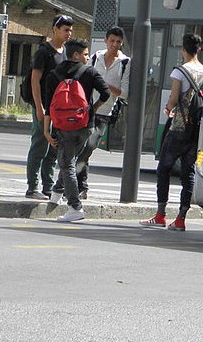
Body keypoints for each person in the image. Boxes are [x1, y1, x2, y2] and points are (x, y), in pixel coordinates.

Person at [141, 33, 203, 232]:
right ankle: (181, 218)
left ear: (183, 50)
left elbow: (173, 98)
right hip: (196, 129)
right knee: (188, 173)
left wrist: (168, 110)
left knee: (164, 168)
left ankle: (160, 214)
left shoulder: (179, 71)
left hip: (179, 127)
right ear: (199, 49)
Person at [42, 38, 111, 223]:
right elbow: (106, 93)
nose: (88, 58)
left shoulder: (54, 74)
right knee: (69, 162)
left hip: (62, 127)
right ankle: (57, 193)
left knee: (67, 165)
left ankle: (75, 207)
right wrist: (93, 109)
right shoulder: (90, 72)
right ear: (76, 55)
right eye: (86, 54)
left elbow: (49, 106)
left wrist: (46, 131)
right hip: (85, 126)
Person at [65, 25, 131, 198]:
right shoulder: (95, 57)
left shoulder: (125, 63)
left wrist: (103, 85)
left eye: (118, 42)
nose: (115, 45)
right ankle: (81, 187)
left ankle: (77, 185)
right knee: (81, 147)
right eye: (112, 41)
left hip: (105, 112)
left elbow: (124, 93)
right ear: (106, 41)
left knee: (89, 147)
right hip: (86, 108)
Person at [24, 14, 73, 200]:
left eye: (70, 30)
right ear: (55, 29)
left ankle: (48, 186)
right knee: (39, 144)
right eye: (65, 29)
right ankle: (32, 187)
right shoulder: (44, 51)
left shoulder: (65, 51)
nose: (68, 33)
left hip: (58, 107)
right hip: (43, 106)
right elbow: (35, 80)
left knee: (54, 146)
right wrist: (39, 107)